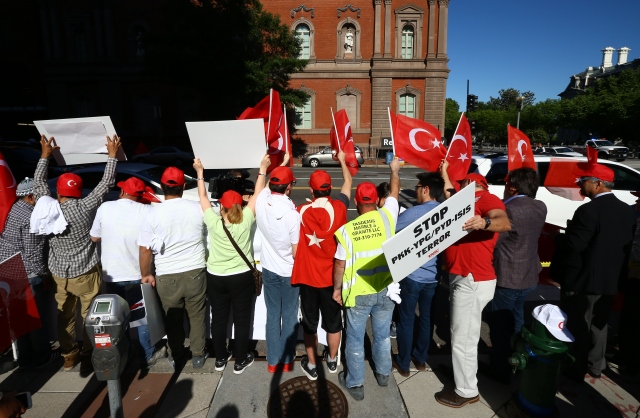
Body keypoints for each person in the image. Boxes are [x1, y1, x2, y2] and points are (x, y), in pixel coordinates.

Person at [32, 135, 121, 374]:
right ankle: (90, 352)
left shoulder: (47, 208)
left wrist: (45, 155)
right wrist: (112, 155)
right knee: (91, 315)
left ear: (58, 192)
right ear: (79, 192)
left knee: (65, 316)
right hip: (86, 272)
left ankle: (69, 355)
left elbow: (38, 184)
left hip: (60, 274)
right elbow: (105, 185)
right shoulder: (84, 207)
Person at [435, 163, 511, 408]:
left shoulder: (485, 198)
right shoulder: (463, 201)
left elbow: (503, 221)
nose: (456, 189)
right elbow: (449, 192)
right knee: (463, 333)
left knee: (463, 338)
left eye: (462, 185)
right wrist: (444, 173)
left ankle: (466, 390)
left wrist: (484, 223)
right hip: (464, 277)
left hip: (471, 278)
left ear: (471, 184)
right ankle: (463, 376)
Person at [552, 163, 635, 380]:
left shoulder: (588, 210)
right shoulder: (627, 210)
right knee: (599, 324)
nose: (580, 185)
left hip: (582, 281)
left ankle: (576, 368)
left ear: (598, 184)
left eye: (583, 181)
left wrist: (559, 238)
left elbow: (575, 244)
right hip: (610, 280)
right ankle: (596, 365)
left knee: (578, 325)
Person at [193, 154, 271, 375]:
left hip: (216, 277)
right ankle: (240, 359)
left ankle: (220, 358)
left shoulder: (213, 221)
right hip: (241, 277)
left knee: (218, 319)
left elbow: (202, 197)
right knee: (242, 319)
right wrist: (262, 169)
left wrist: (200, 172)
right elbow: (258, 192)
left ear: (222, 208)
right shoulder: (246, 219)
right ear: (239, 204)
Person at [333, 159, 401, 401]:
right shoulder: (388, 217)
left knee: (354, 338)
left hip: (359, 293)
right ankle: (383, 374)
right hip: (386, 289)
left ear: (356, 202)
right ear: (377, 200)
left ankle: (355, 383)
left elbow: (340, 264)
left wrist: (337, 289)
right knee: (382, 335)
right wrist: (394, 170)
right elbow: (394, 191)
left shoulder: (347, 231)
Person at [89, 176, 167, 369]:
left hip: (112, 274)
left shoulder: (105, 207)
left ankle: (122, 354)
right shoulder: (149, 210)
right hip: (138, 273)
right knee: (140, 317)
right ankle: (146, 354)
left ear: (123, 191)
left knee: (116, 318)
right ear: (141, 195)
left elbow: (95, 237)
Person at [138, 166, 208, 370]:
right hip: (195, 269)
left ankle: (176, 354)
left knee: (173, 318)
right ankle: (198, 354)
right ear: (183, 187)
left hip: (167, 274)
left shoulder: (152, 213)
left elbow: (145, 249)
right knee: (197, 316)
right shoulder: (196, 207)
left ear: (161, 187)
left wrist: (146, 274)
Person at [291, 151, 352, 380]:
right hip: (332, 278)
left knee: (310, 324)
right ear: (330, 188)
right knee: (334, 323)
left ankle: (312, 364)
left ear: (311, 190)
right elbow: (348, 183)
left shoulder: (301, 211)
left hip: (308, 278)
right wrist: (343, 161)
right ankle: (333, 360)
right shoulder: (340, 208)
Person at [486, 167, 547, 383]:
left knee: (500, 325)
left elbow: (494, 242)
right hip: (528, 274)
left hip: (508, 277)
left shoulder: (509, 211)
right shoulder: (540, 206)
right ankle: (519, 358)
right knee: (518, 320)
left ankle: (501, 368)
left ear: (512, 187)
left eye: (506, 183)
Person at [0, 178, 56, 369]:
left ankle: (24, 358)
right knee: (35, 319)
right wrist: (44, 275)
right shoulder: (31, 217)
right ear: (31, 197)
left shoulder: (12, 209)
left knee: (20, 319)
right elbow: (33, 253)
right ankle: (41, 356)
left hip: (9, 271)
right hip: (28, 274)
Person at [392, 172, 444, 377]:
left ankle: (403, 363)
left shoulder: (414, 213)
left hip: (412, 276)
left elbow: (391, 230)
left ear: (426, 189)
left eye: (417, 188)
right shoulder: (446, 212)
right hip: (434, 276)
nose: (415, 192)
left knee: (406, 320)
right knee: (426, 318)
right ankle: (421, 359)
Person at [255, 165, 300, 373]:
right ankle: (287, 360)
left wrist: (264, 168)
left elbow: (260, 188)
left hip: (269, 269)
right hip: (288, 272)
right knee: (289, 316)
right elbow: (296, 252)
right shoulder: (292, 215)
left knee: (272, 315)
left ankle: (272, 361)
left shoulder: (262, 201)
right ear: (288, 187)